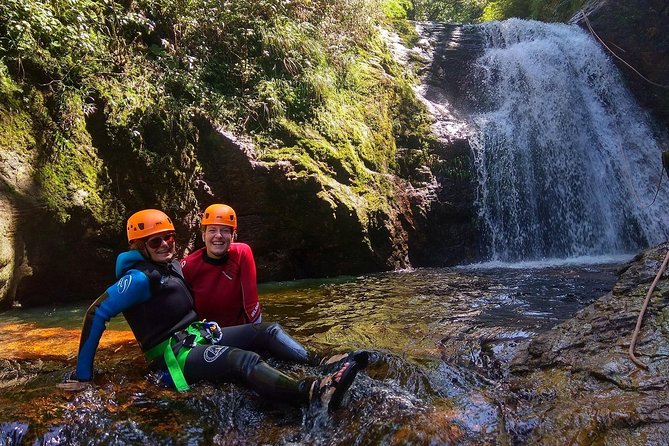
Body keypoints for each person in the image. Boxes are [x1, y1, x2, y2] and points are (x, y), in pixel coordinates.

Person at [58, 209, 364, 412]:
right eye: (156, 240)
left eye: (169, 237)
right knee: (242, 360)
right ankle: (309, 392)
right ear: (139, 245)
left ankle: (322, 361)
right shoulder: (138, 278)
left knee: (266, 331)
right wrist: (83, 376)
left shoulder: (171, 266)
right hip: (173, 354)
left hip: (197, 337)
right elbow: (96, 313)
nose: (166, 244)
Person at [181, 203, 369, 370]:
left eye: (225, 231)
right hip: (210, 337)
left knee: (270, 332)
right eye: (212, 230)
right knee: (270, 332)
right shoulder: (188, 266)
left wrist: (255, 336)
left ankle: (320, 363)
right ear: (203, 234)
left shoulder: (241, 253)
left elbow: (251, 302)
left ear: (233, 235)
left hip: (239, 332)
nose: (218, 236)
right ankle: (320, 363)